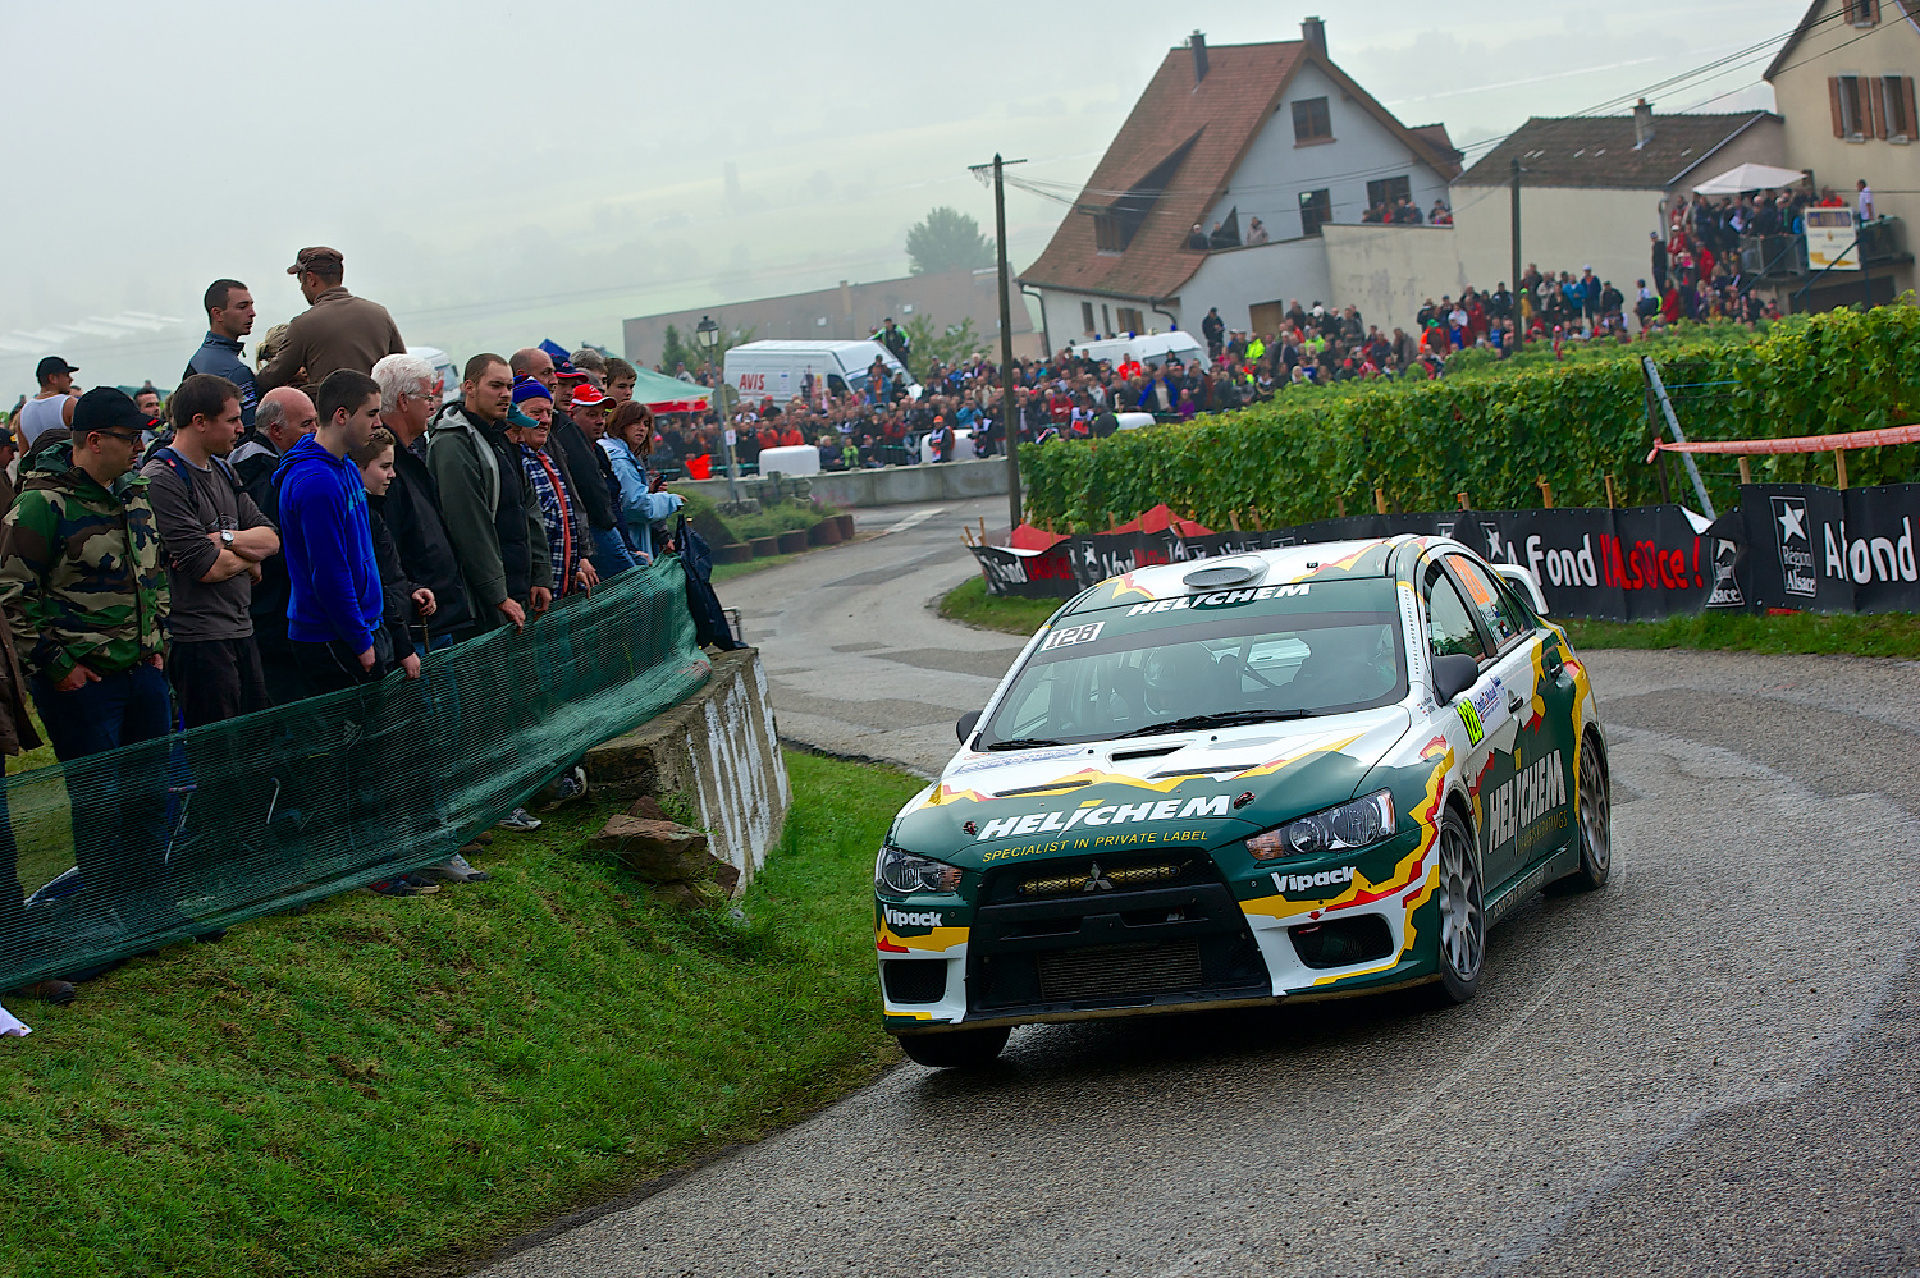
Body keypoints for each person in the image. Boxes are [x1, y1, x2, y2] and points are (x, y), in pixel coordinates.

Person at [0, 388, 173, 940]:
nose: (139, 447)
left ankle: (154, 909)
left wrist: (157, 639)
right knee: (101, 803)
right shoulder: (41, 505)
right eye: (129, 438)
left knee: (150, 793)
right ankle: (105, 917)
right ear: (93, 441)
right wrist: (57, 666)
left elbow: (154, 571)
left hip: (142, 672)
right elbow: (12, 595)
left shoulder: (134, 493)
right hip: (84, 683)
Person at [139, 374, 280, 728]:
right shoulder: (163, 478)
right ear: (199, 422)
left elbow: (271, 539)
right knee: (219, 749)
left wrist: (226, 539)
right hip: (199, 639)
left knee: (254, 742)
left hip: (240, 628)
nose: (240, 429)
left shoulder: (223, 469)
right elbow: (206, 566)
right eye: (231, 420)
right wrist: (248, 559)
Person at [274, 370, 386, 694]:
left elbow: (363, 552)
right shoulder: (316, 482)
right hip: (331, 637)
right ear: (341, 416)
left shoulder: (345, 466)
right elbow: (329, 572)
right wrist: (360, 640)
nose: (378, 424)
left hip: (360, 625)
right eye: (371, 414)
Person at [426, 354, 550, 632]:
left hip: (517, 588)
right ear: (469, 387)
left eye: (509, 387)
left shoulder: (500, 438)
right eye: (496, 386)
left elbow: (527, 507)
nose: (505, 394)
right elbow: (469, 525)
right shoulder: (453, 443)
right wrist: (497, 594)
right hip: (484, 602)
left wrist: (540, 574)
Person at [370, 353, 472, 646]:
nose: (432, 405)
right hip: (419, 623)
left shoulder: (409, 455)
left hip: (435, 616)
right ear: (403, 401)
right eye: (427, 396)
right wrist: (410, 591)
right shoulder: (385, 466)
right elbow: (388, 547)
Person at [255, 248, 406, 392]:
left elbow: (273, 376)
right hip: (376, 407)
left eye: (301, 281)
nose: (302, 288)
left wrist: (247, 380)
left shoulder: (304, 325)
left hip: (333, 409)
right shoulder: (380, 313)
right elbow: (403, 368)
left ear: (311, 279)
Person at [505, 382, 597, 600]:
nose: (545, 420)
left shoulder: (545, 458)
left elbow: (560, 525)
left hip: (558, 592)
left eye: (548, 413)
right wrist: (538, 581)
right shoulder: (515, 462)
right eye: (536, 413)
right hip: (532, 595)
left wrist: (572, 569)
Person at [599, 401, 683, 563]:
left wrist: (648, 491)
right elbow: (635, 506)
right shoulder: (619, 458)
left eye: (646, 424)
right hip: (626, 543)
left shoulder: (621, 453)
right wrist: (672, 501)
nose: (642, 428)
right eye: (635, 422)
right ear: (621, 424)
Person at [183, 279, 259, 429]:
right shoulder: (236, 370)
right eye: (242, 307)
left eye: (251, 306)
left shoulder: (198, 360)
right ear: (217, 314)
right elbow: (249, 429)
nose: (252, 313)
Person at [17, 357, 79, 448]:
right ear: (52, 378)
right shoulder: (69, 404)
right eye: (66, 375)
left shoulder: (23, 413)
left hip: (36, 457)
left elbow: (23, 452)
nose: (70, 379)